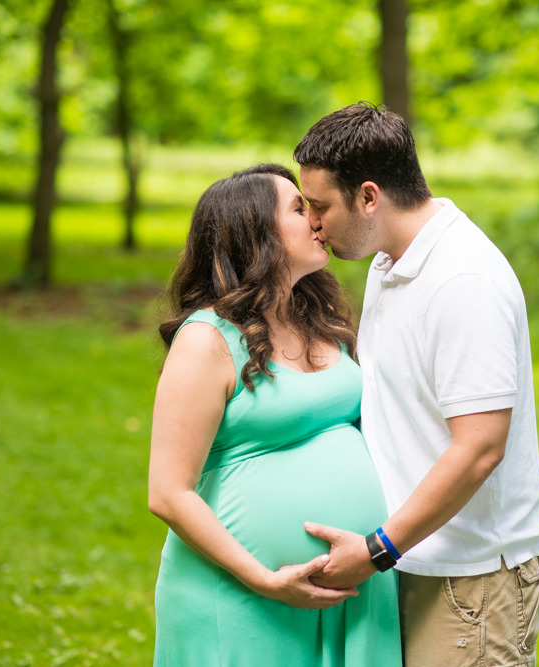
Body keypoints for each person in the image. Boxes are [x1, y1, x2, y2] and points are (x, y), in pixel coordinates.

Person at [293, 103, 539, 667]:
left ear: (369, 196)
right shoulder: (391, 261)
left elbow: (481, 447)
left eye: (319, 207)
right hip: (416, 560)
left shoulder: (462, 279)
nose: (312, 223)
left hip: (470, 579)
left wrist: (377, 549)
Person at [147, 163, 402, 667]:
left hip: (355, 590)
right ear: (254, 234)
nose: (317, 219)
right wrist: (265, 578)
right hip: (246, 594)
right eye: (298, 207)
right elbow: (168, 493)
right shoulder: (206, 340)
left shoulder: (319, 319)